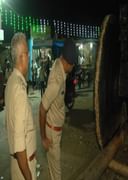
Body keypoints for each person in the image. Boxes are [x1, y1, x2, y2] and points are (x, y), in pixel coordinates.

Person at [39, 38, 77, 180]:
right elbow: (42, 108)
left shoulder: (58, 63)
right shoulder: (57, 81)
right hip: (52, 133)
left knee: (54, 170)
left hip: (56, 129)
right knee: (57, 172)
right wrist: (43, 137)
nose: (72, 68)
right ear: (66, 62)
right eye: (72, 65)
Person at [5, 32, 36, 180]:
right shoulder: (19, 90)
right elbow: (19, 145)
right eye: (28, 54)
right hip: (24, 167)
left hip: (17, 164)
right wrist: (29, 177)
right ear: (22, 56)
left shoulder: (11, 82)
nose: (29, 58)